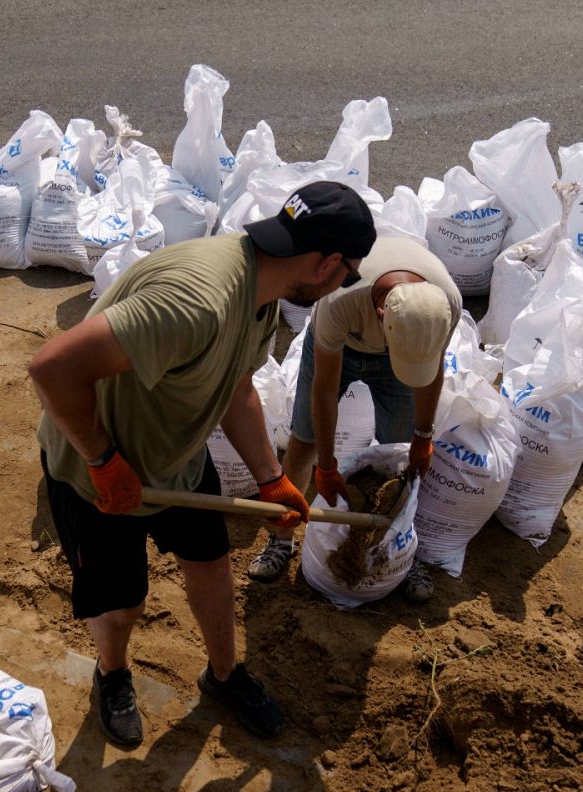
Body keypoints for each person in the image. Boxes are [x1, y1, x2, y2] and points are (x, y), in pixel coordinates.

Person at [28, 181, 377, 749]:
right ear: (327, 264)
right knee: (122, 604)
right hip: (96, 474)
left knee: (212, 567)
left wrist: (271, 479)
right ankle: (113, 673)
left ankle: (224, 674)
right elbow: (52, 368)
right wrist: (104, 460)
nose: (344, 287)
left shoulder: (262, 292)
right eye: (349, 276)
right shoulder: (196, 300)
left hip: (179, 455)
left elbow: (237, 388)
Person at [246, 235, 463, 601]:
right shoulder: (341, 297)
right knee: (303, 442)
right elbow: (325, 390)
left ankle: (399, 546)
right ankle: (281, 539)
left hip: (400, 347)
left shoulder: (445, 304)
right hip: (341, 347)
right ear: (381, 314)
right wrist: (326, 466)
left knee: (400, 453)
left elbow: (432, 371)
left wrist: (423, 437)